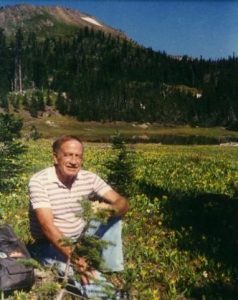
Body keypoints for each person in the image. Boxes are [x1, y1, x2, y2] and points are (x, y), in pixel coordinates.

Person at [28, 135, 129, 298]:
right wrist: (76, 260)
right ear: (55, 157)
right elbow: (47, 226)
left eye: (78, 156)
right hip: (51, 244)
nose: (74, 161)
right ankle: (110, 294)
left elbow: (122, 202)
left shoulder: (88, 177)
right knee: (80, 274)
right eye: (68, 155)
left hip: (80, 238)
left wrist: (110, 210)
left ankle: (110, 268)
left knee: (114, 218)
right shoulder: (40, 181)